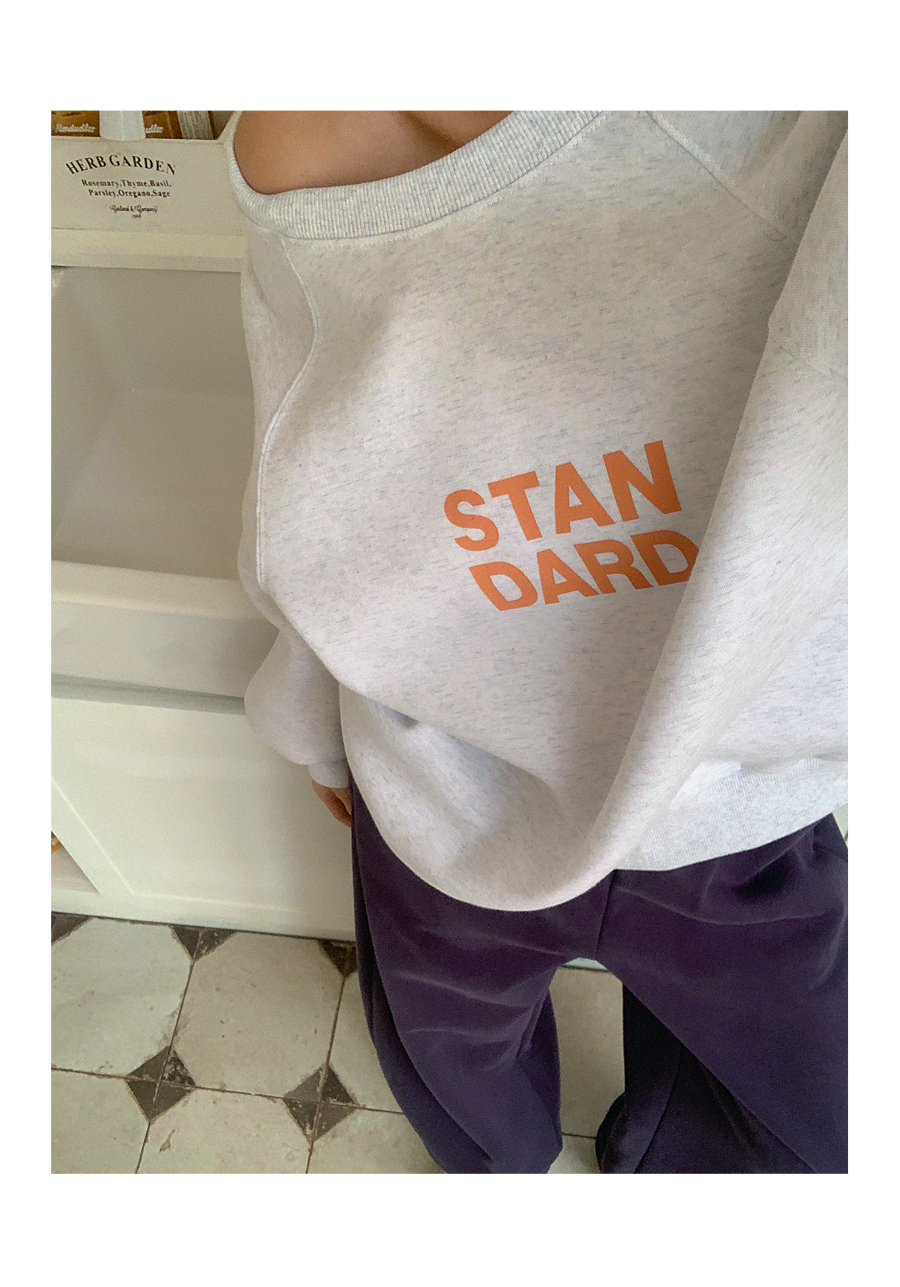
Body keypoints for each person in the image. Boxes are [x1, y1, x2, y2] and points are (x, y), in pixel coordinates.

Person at [224, 110, 848, 1173]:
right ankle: (650, 1150)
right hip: (730, 812)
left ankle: (495, 1161)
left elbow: (297, 532)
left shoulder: (296, 136)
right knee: (799, 1084)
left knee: (452, 1049)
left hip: (446, 804)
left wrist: (315, 739)